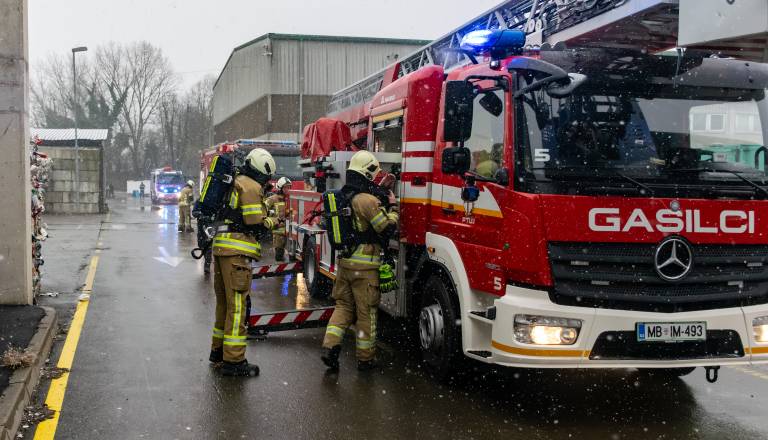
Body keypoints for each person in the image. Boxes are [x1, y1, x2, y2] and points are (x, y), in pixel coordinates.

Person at [321, 150, 399, 372]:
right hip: (365, 269)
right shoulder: (367, 200)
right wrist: (393, 208)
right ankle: (365, 359)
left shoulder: (345, 196)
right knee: (366, 313)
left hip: (345, 265)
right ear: (367, 173)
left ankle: (330, 347)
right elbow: (386, 228)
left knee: (343, 307)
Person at [209, 148, 279, 377]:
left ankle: (218, 351)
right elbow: (255, 223)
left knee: (224, 305)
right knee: (238, 307)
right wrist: (273, 221)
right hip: (236, 254)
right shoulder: (250, 186)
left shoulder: (236, 181)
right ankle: (234, 361)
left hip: (221, 249)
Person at [264, 177, 292, 261]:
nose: (287, 189)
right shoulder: (273, 199)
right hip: (278, 230)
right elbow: (263, 209)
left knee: (292, 253)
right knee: (279, 253)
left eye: (289, 187)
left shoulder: (290, 199)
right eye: (285, 187)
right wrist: (270, 216)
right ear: (280, 188)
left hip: (290, 230)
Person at [192, 199, 213, 274]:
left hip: (211, 225)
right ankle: (206, 258)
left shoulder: (215, 199)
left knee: (209, 245)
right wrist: (200, 215)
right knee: (201, 244)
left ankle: (207, 264)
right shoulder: (199, 201)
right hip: (201, 226)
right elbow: (194, 213)